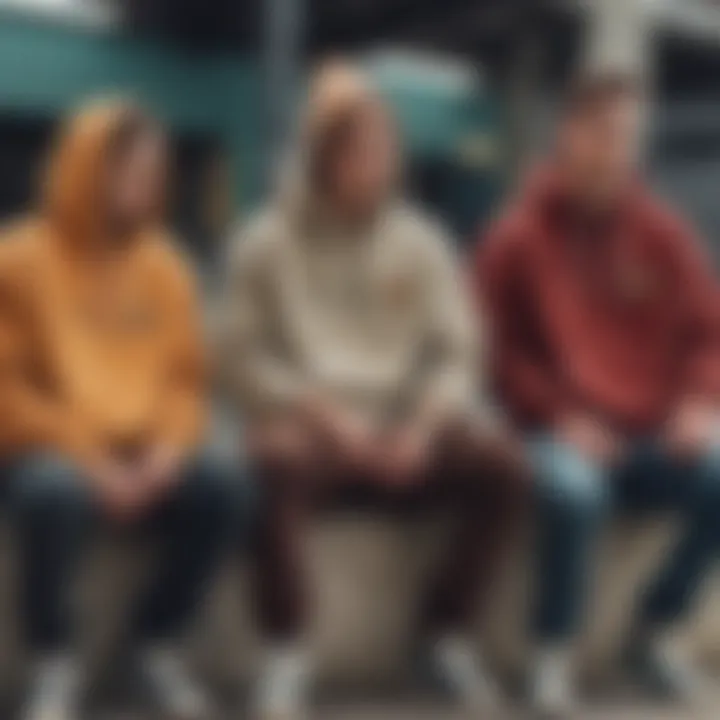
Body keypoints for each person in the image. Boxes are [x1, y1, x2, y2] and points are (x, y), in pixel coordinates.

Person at [220, 61, 529, 720]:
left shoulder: (423, 241)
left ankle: (444, 634)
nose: (378, 163)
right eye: (359, 149)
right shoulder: (265, 243)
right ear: (322, 156)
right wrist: (318, 413)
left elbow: (461, 349)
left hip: (404, 428)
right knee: (268, 465)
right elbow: (239, 356)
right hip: (317, 427)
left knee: (504, 466)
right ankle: (288, 648)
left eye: (386, 148)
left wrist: (423, 425)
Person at [476, 72, 720, 715]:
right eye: (606, 134)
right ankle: (551, 654)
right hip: (554, 432)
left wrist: (699, 404)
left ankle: (654, 630)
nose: (620, 152)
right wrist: (558, 418)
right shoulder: (517, 237)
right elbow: (495, 353)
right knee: (575, 495)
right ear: (571, 135)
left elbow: (708, 334)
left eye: (630, 138)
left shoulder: (663, 235)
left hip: (646, 433)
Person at [0, 100, 241, 720]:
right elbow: (7, 389)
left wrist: (166, 451)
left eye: (156, 171)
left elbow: (186, 384)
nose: (148, 185)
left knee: (223, 484)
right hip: (46, 448)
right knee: (52, 494)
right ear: (88, 169)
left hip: (141, 448)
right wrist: (87, 461)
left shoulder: (169, 268)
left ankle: (156, 644)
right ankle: (54, 658)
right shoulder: (19, 259)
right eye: (131, 169)